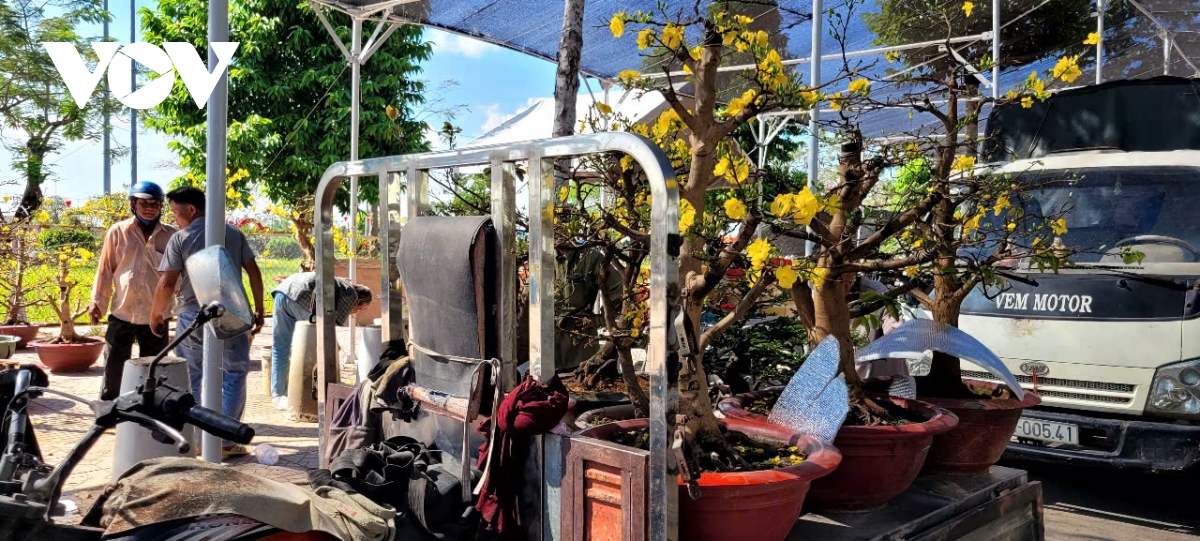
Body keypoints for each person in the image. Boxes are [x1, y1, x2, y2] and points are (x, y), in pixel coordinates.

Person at [149, 186, 265, 456]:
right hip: (233, 313)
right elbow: (253, 272)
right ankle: (225, 441)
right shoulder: (233, 233)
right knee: (234, 373)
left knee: (192, 375)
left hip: (193, 316)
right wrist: (259, 309)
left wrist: (156, 314)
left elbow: (167, 282)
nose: (174, 218)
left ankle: (198, 439)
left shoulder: (181, 238)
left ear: (191, 209)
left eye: (175, 213)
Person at [89, 182, 178, 400]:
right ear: (133, 205)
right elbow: (105, 269)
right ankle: (110, 409)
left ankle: (150, 410)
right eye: (143, 204)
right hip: (123, 311)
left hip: (157, 314)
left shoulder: (172, 235)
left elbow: (178, 276)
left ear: (161, 207)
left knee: (154, 368)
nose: (149, 208)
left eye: (154, 204)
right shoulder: (117, 232)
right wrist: (97, 302)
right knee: (114, 367)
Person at [270, 272, 373, 410]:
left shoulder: (342, 285)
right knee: (316, 345)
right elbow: (328, 328)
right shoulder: (351, 295)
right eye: (361, 309)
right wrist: (334, 345)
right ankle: (312, 390)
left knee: (280, 347)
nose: (357, 312)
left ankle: (277, 394)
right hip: (300, 297)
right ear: (359, 301)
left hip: (282, 292)